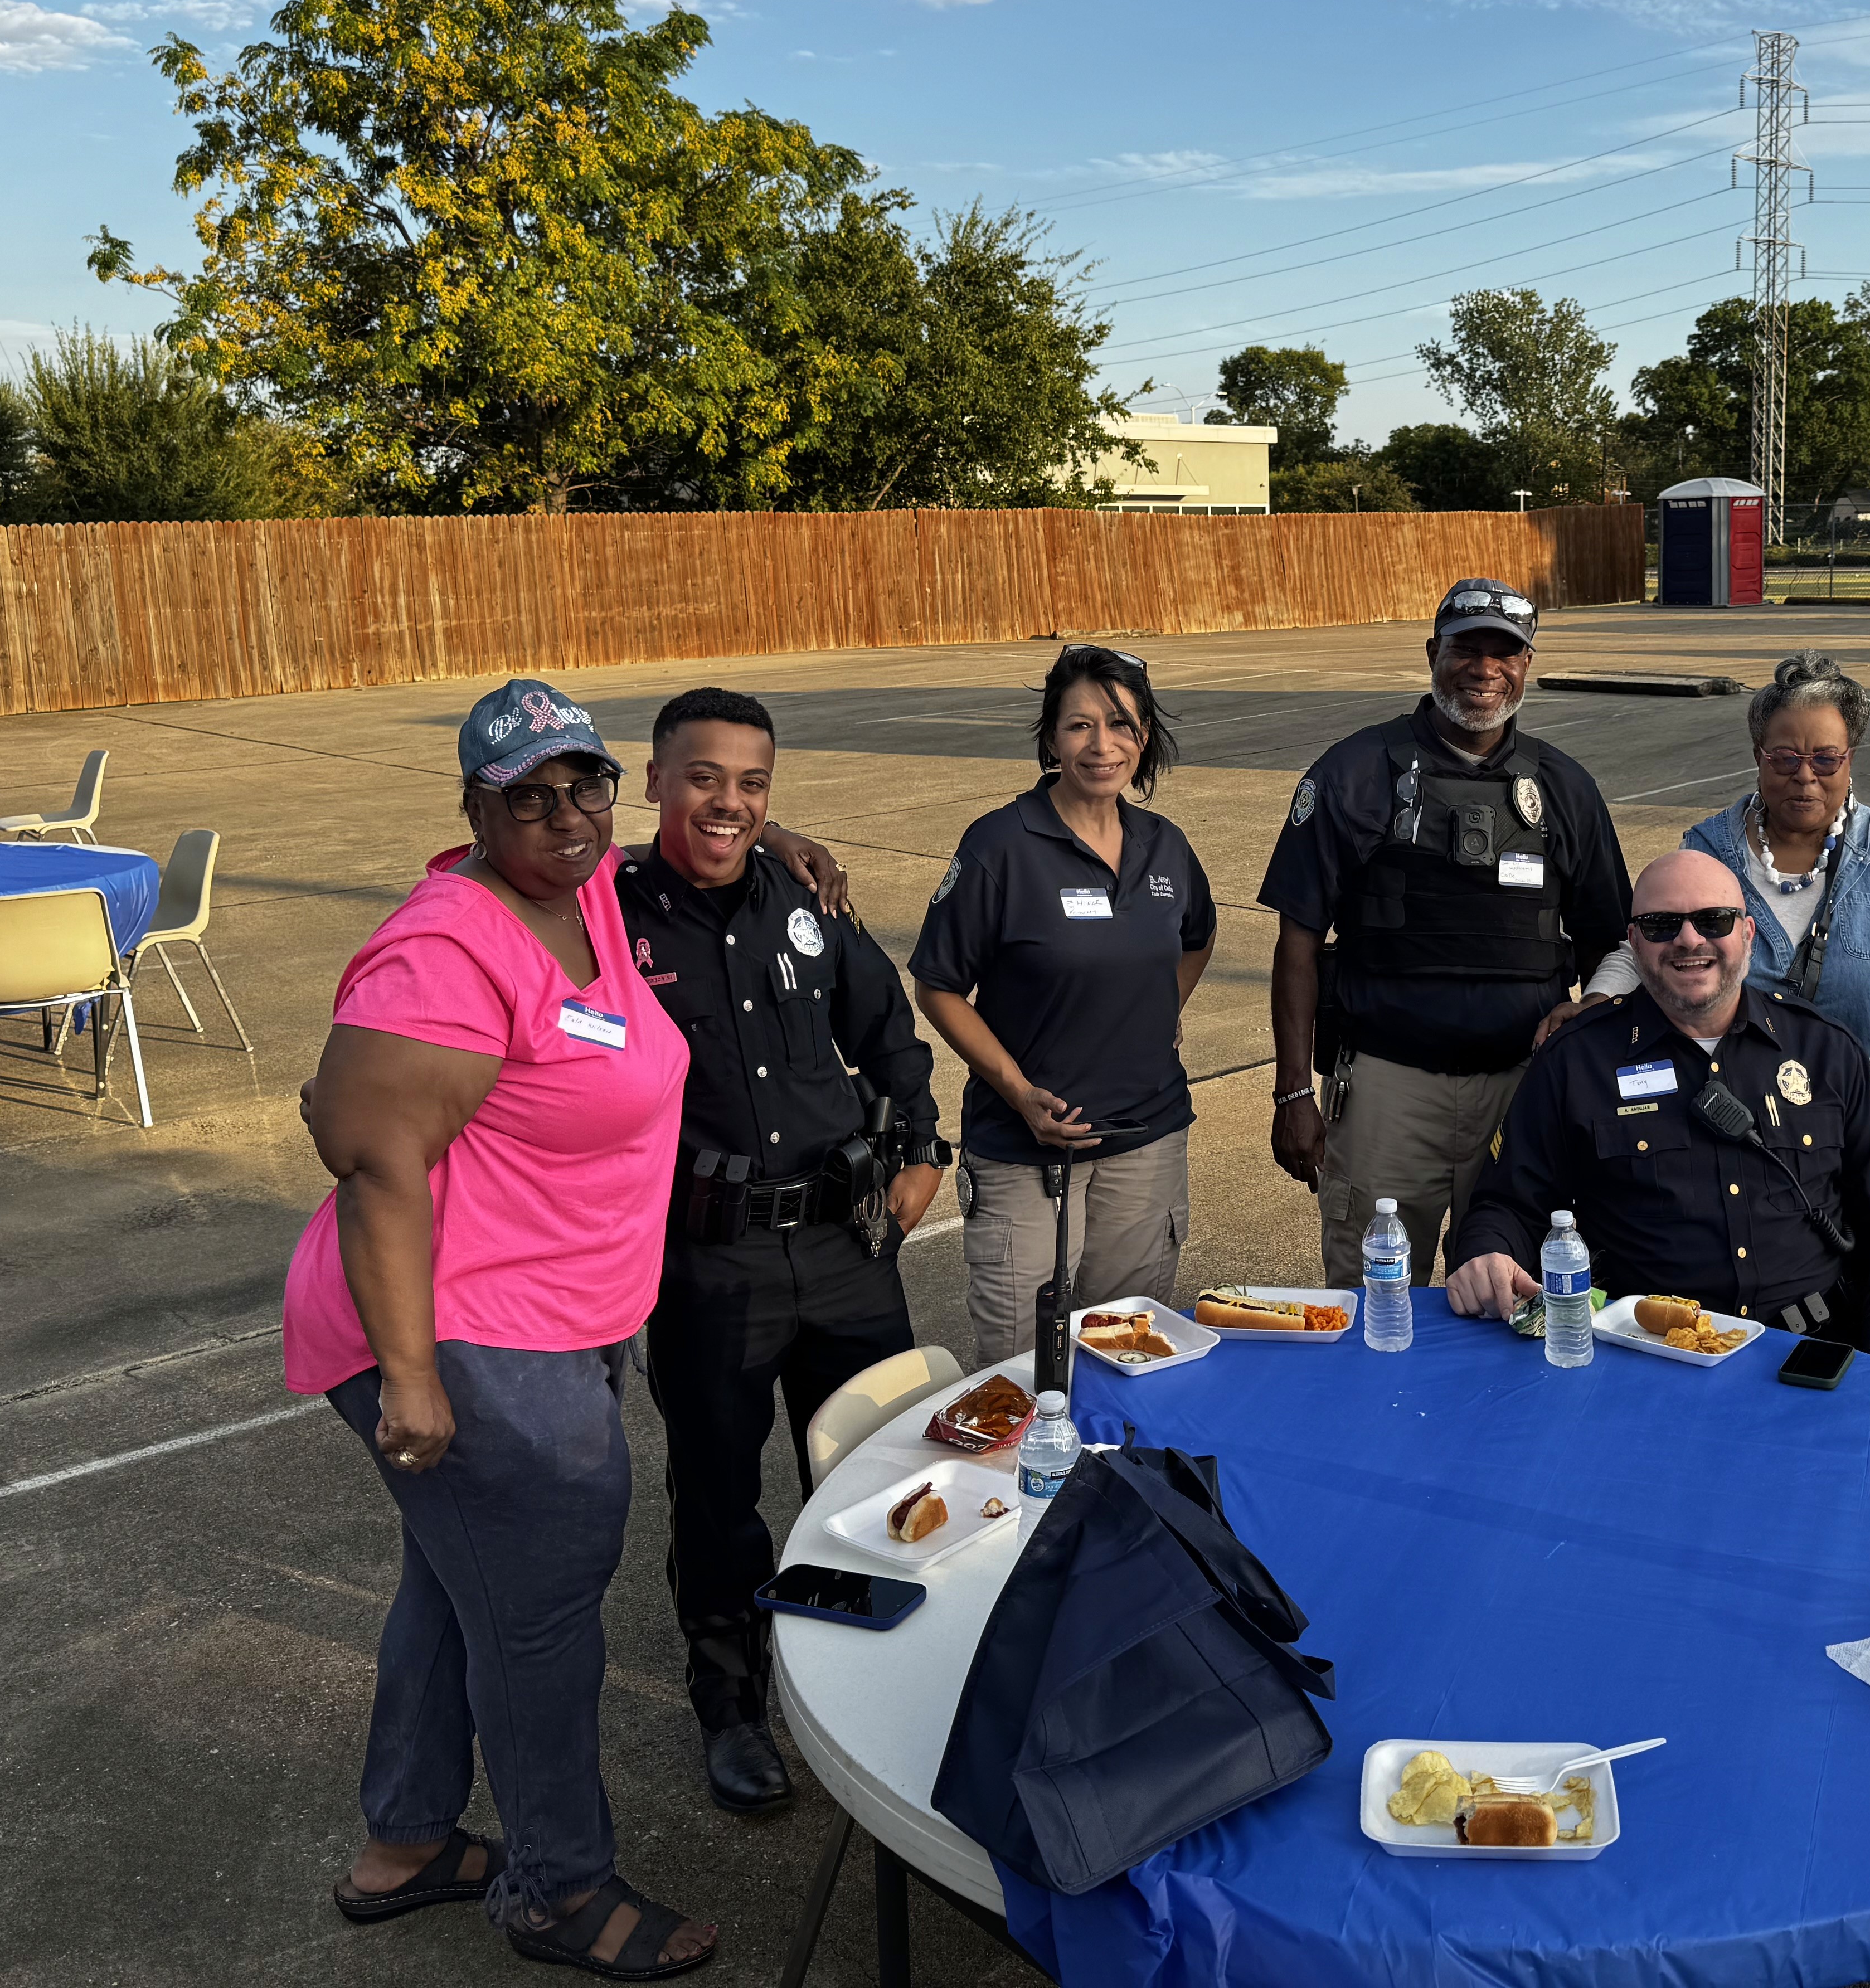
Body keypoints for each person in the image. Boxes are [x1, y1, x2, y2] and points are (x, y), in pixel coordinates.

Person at [287, 677, 717, 1977]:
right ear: (476, 808)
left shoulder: (579, 893)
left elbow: (628, 856)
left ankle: (407, 1838)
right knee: (540, 1623)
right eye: (529, 797)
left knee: (456, 1579)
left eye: (586, 784)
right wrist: (413, 1379)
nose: (567, 816)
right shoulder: (448, 950)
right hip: (463, 1335)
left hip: (543, 1313)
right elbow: (364, 1151)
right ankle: (558, 1891)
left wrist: (782, 841)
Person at [619, 687, 946, 1819]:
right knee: (718, 1495)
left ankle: (861, 1674)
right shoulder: (606, 913)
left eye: (753, 783)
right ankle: (732, 1704)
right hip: (710, 1263)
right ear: (654, 780)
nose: (730, 801)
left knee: (874, 1471)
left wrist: (923, 1144)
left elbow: (888, 1030)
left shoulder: (807, 898)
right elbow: (492, 873)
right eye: (703, 777)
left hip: (848, 1241)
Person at [1258, 577, 1631, 1288]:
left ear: (1527, 664)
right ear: (1434, 653)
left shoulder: (1565, 787)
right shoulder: (1354, 772)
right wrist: (1292, 1094)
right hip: (1388, 1091)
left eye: (1505, 653)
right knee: (1374, 1300)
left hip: (1523, 1092)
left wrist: (1591, 1044)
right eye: (1466, 649)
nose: (1485, 669)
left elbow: (1613, 945)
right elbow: (1297, 943)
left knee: (1513, 1297)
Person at [1447, 848, 1870, 1370]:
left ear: (1747, 934)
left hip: (1816, 1354)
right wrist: (1488, 1255)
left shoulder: (1826, 1052)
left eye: (1713, 920)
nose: (1689, 940)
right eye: (1661, 925)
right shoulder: (1574, 1061)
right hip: (1646, 1358)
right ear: (1634, 942)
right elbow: (1508, 1204)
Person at [911, 646, 1216, 1367]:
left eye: (1121, 724)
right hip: (1026, 1155)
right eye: (1080, 725)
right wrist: (1019, 1092)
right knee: (1025, 1368)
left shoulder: (1165, 847)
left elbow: (1198, 938)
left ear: (1144, 737)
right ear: (1051, 738)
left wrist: (1159, 1009)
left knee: (1129, 1355)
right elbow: (938, 985)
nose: (1102, 745)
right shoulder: (1000, 846)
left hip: (1145, 1141)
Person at [1569, 650, 1870, 1116]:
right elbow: (1651, 946)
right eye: (1784, 759)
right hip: (1737, 1136)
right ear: (1758, 756)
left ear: (1850, 759)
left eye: (1826, 759)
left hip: (1868, 1133)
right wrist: (1593, 1005)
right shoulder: (1708, 851)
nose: (1805, 776)